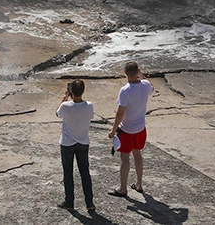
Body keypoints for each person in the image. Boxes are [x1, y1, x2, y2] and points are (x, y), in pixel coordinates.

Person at [107, 61, 154, 197]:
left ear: (125, 73)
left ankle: (123, 188)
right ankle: (139, 183)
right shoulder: (145, 85)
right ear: (138, 71)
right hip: (140, 128)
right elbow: (151, 85)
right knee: (137, 154)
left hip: (127, 130)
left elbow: (120, 113)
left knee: (125, 158)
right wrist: (141, 75)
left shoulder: (125, 90)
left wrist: (113, 130)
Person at [56, 79, 96, 215]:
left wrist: (65, 97)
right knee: (85, 172)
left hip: (67, 142)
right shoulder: (89, 106)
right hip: (83, 142)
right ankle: (89, 202)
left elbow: (58, 113)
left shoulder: (66, 106)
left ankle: (69, 200)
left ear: (71, 91)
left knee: (68, 172)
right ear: (83, 91)